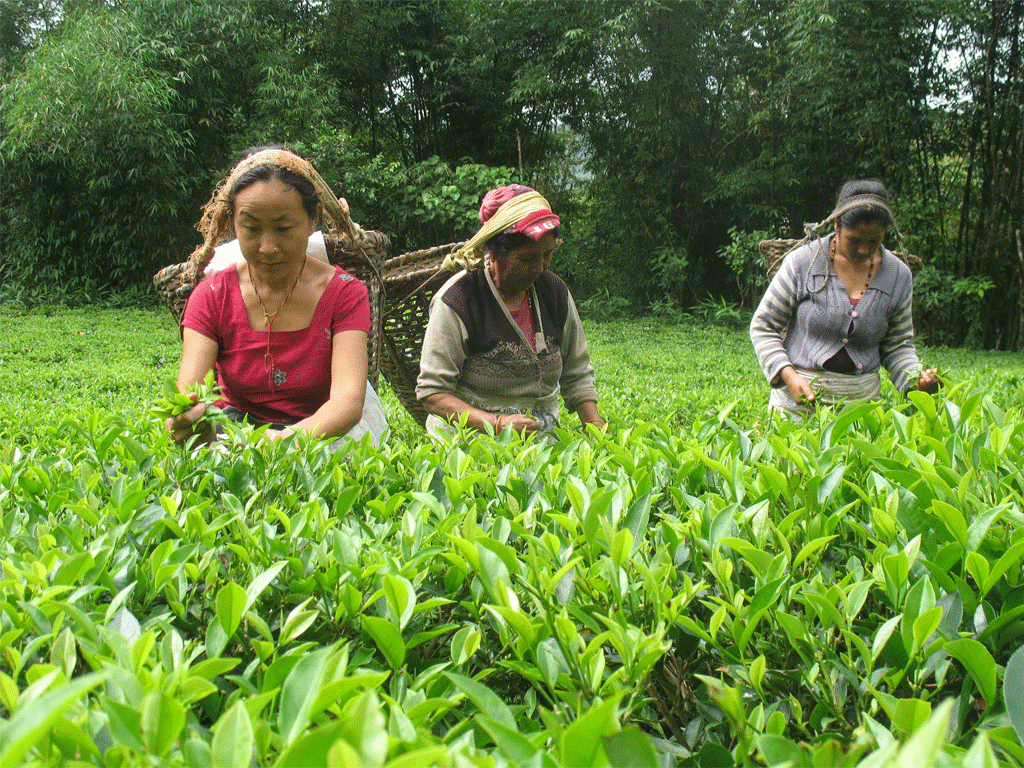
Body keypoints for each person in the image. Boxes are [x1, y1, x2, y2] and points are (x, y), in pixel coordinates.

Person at [166, 146, 387, 446]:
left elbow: (347, 403)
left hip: (322, 430)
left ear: (313, 220)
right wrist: (188, 420)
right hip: (236, 432)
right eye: (251, 228)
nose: (267, 247)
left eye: (283, 228)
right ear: (233, 224)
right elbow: (188, 392)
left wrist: (285, 441)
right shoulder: (212, 296)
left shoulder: (345, 294)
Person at [416, 184, 604, 436]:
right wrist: (496, 424)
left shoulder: (554, 291)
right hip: (467, 440)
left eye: (547, 254)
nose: (540, 267)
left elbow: (577, 373)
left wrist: (598, 432)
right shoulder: (457, 300)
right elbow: (433, 394)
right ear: (494, 253)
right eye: (527, 259)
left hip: (538, 435)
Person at [750, 179, 940, 419]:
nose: (863, 249)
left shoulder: (898, 275)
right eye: (854, 240)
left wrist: (917, 380)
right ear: (837, 224)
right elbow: (763, 326)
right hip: (796, 405)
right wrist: (788, 374)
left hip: (862, 409)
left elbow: (898, 345)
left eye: (874, 241)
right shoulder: (803, 263)